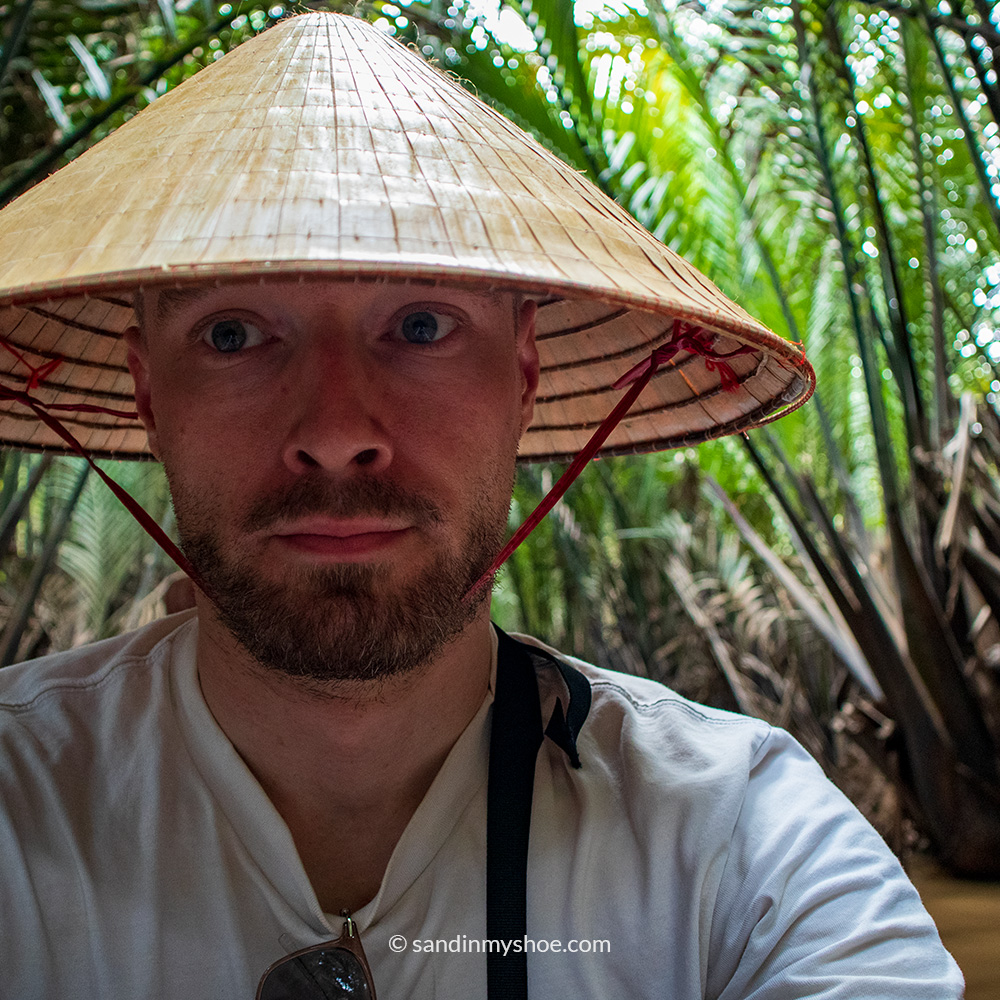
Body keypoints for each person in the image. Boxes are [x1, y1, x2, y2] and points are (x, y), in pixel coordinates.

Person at [0, 12, 962, 1000]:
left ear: (527, 376)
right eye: (236, 333)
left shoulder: (736, 840)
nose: (335, 429)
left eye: (421, 325)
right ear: (148, 391)